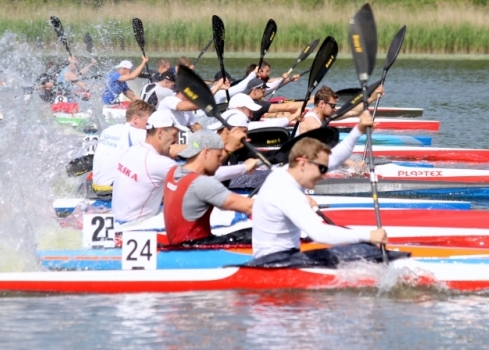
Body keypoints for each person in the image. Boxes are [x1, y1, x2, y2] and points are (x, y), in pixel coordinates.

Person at [251, 137, 388, 258]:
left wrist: (358, 131)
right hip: (274, 264)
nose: (324, 176)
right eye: (322, 170)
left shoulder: (284, 172)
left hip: (281, 257)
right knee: (361, 252)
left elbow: (335, 159)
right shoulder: (287, 190)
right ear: (303, 163)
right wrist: (368, 236)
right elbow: (319, 233)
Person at [163, 131, 254, 246]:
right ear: (206, 153)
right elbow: (250, 207)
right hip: (195, 250)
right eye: (218, 156)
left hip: (180, 244)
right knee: (255, 234)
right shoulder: (202, 184)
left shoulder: (172, 172)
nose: (220, 163)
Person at [112, 110, 181, 224]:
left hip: (116, 222)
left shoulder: (131, 150)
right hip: (135, 228)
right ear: (160, 133)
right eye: (174, 135)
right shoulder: (160, 163)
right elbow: (199, 179)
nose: (176, 141)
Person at [91, 100, 155, 194]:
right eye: (148, 122)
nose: (150, 126)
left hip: (96, 186)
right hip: (112, 189)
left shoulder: (109, 129)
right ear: (135, 119)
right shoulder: (139, 133)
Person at [296, 84, 383, 135]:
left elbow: (353, 111)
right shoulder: (310, 120)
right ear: (322, 104)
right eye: (332, 106)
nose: (335, 109)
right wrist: (354, 164)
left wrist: (372, 98)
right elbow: (329, 148)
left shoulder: (325, 117)